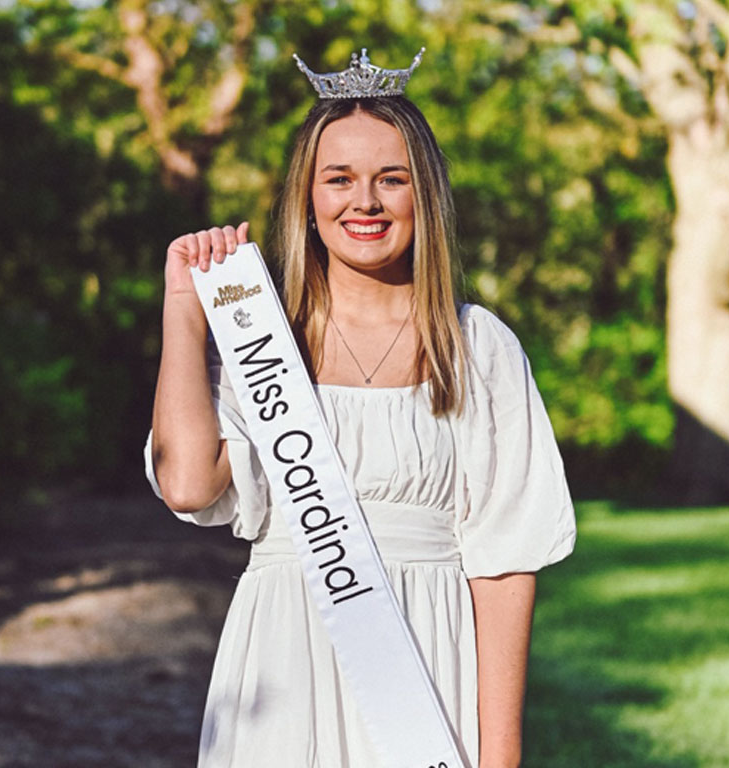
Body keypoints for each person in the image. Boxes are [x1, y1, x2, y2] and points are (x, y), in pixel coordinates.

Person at [145, 49, 576, 768]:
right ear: (308, 201)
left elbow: (504, 565)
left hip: (429, 669)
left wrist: (500, 756)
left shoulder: (477, 345)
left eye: (392, 180)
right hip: (284, 666)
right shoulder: (262, 341)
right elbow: (189, 484)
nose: (365, 203)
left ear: (424, 196)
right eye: (339, 179)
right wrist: (187, 310)